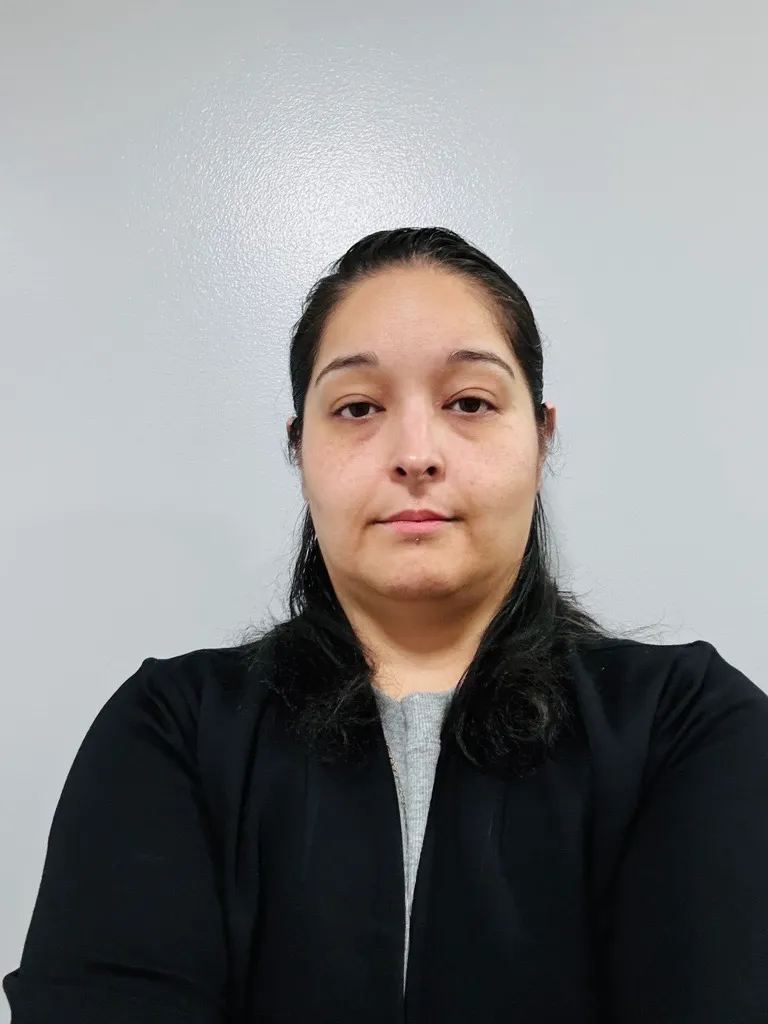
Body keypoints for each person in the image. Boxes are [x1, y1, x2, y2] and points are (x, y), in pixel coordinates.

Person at [4, 227, 768, 1023]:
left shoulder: (689, 725)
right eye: (358, 408)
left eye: (469, 402)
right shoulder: (173, 730)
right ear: (300, 449)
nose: (415, 453)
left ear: (541, 439)